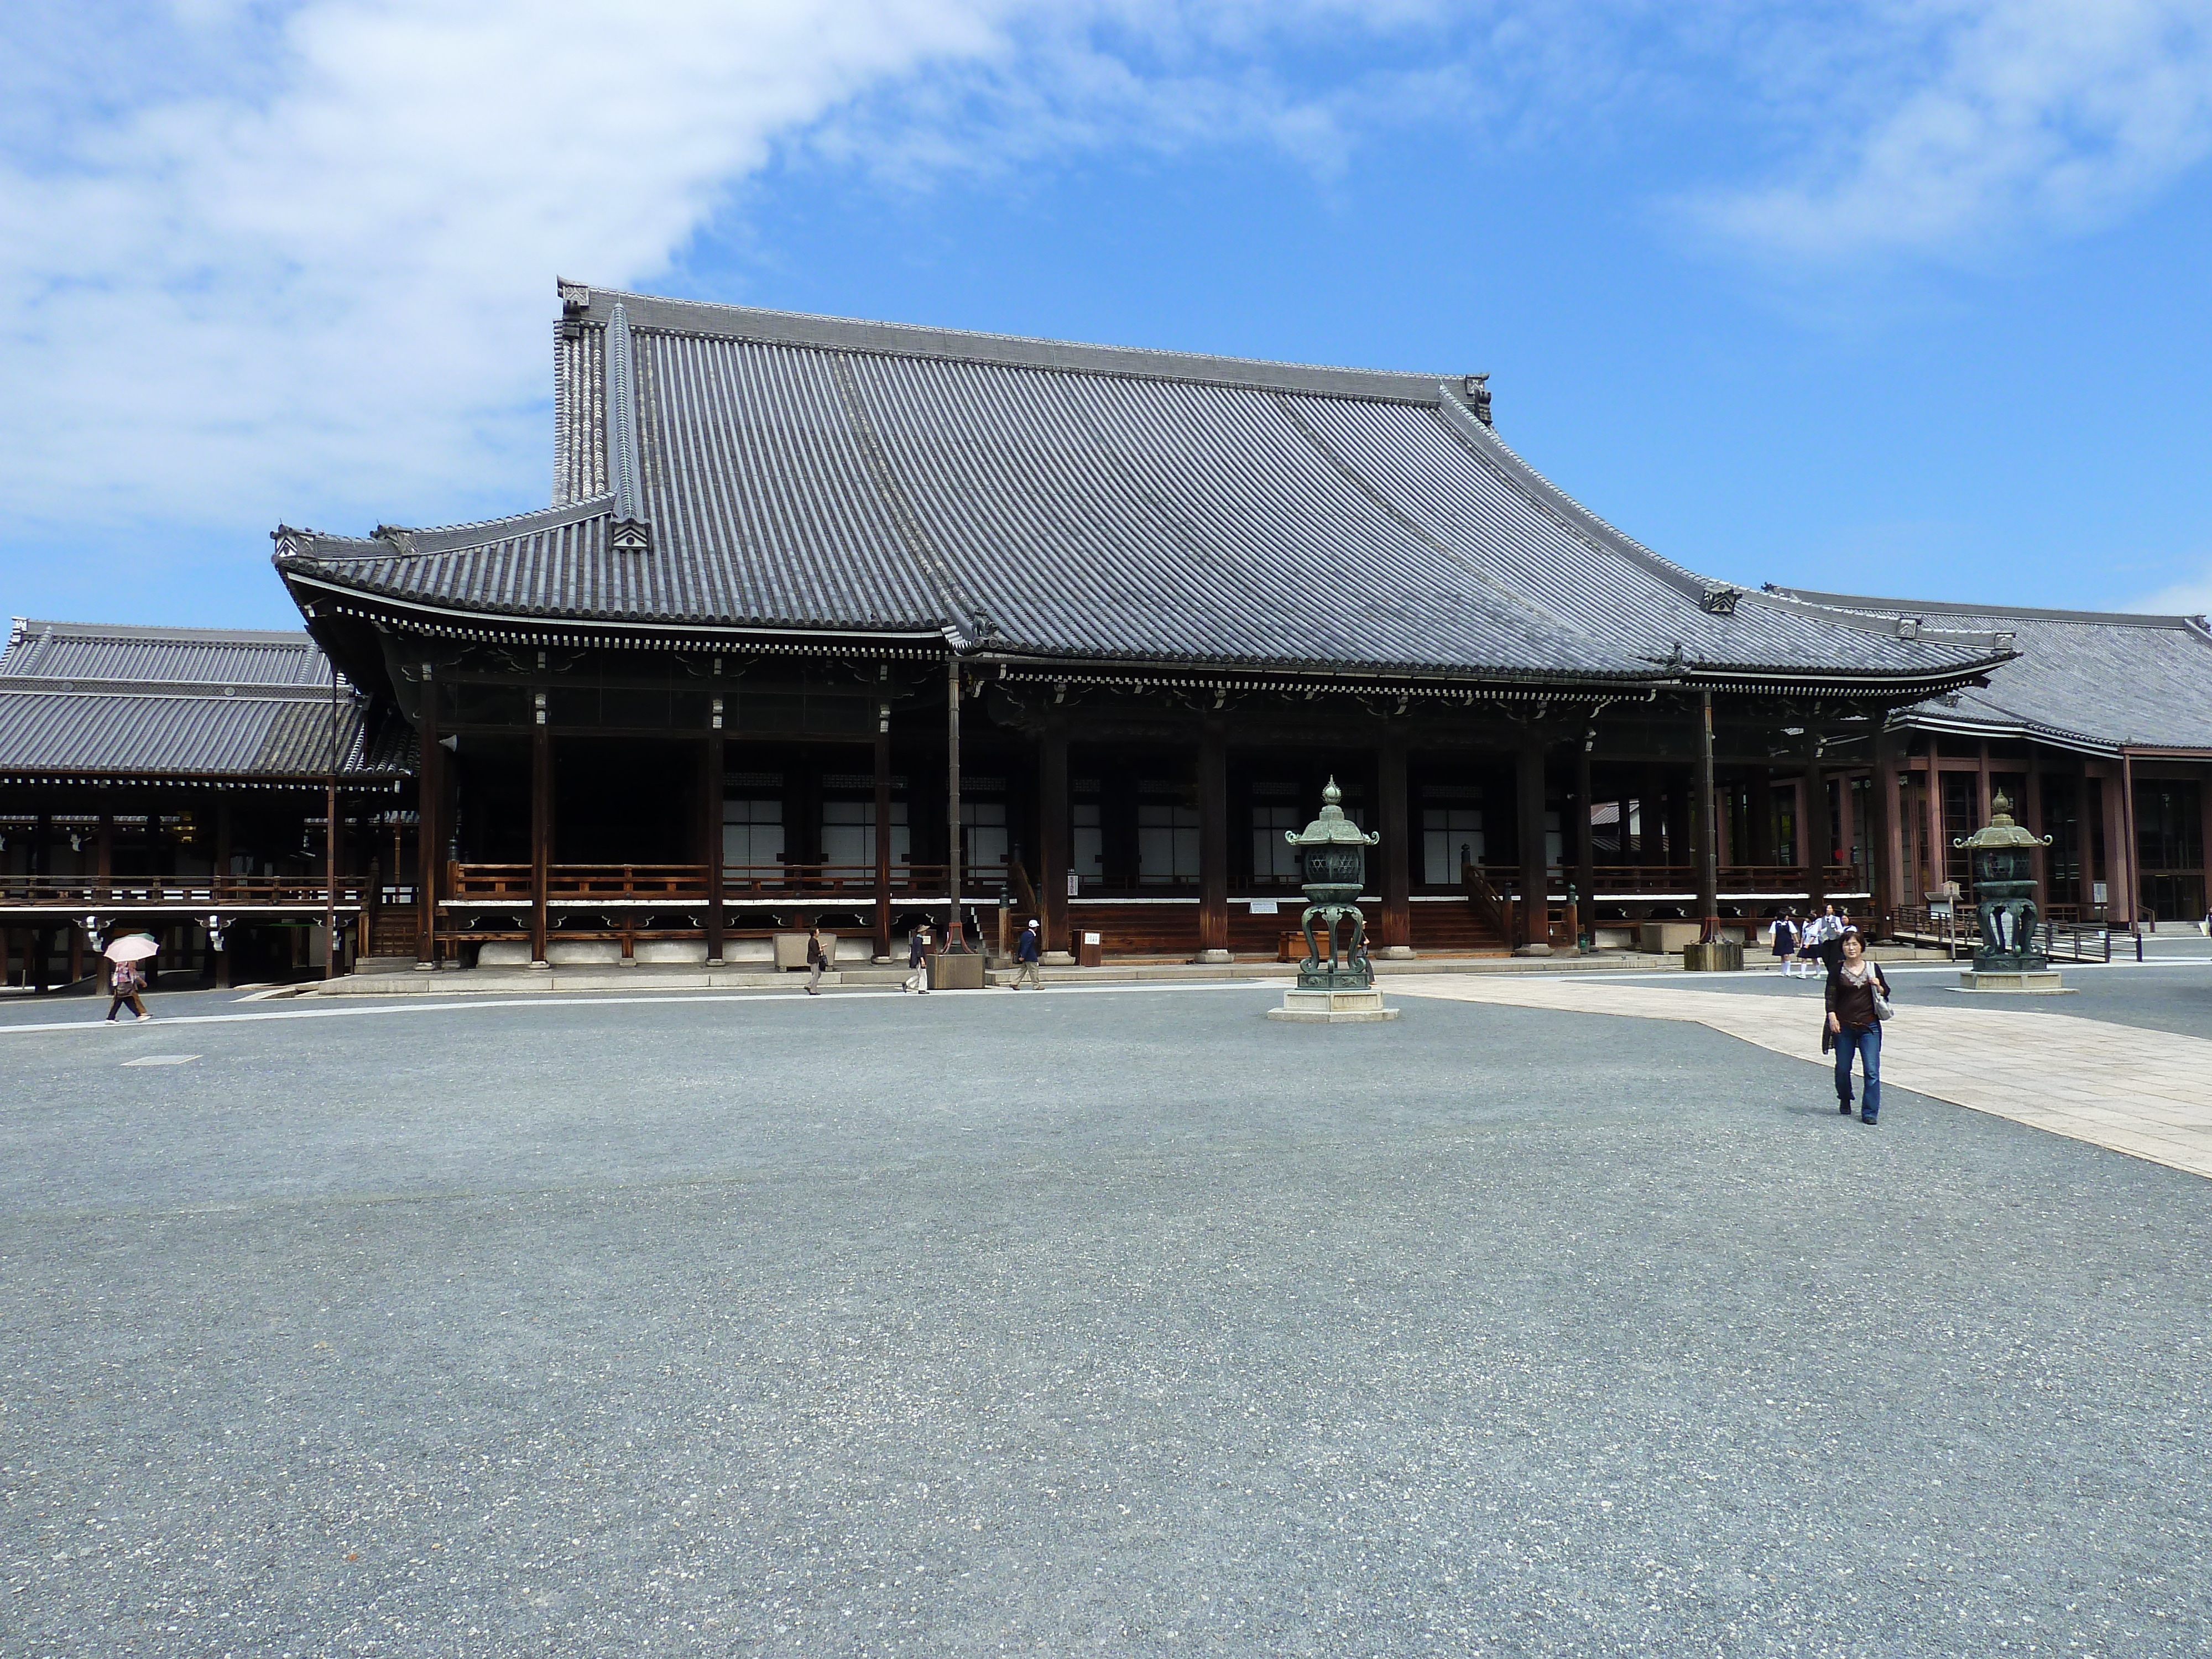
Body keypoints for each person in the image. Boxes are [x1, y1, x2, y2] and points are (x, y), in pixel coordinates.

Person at [1823, 928, 1890, 1123]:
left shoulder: (1872, 967)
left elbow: (1886, 992)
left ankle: (1870, 1112)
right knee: (1843, 1068)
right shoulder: (1837, 970)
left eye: (1854, 944)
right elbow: (1830, 997)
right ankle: (1845, 1096)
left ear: (1861, 946)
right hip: (1844, 1026)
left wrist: (1879, 986)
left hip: (1869, 1026)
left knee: (1871, 1070)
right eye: (1847, 944)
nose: (1851, 948)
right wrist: (1832, 1018)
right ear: (1842, 948)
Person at [106, 958, 151, 1022]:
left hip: (123, 982)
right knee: (122, 999)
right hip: (123, 982)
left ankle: (138, 1015)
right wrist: (142, 982)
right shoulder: (127, 960)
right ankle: (110, 1018)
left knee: (126, 999)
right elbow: (131, 970)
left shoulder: (123, 960)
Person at [1011, 918, 1042, 989]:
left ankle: (1015, 983)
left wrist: (1020, 954)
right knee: (1034, 971)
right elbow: (1027, 946)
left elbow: (1021, 945)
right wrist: (1023, 955)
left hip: (1025, 956)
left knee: (1022, 970)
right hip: (1030, 956)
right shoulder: (1031, 935)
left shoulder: (1025, 934)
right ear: (1036, 927)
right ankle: (1036, 985)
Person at [904, 924, 932, 994]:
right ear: (921, 932)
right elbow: (919, 951)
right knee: (923, 975)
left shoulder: (916, 939)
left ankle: (907, 983)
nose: (926, 932)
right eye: (925, 931)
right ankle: (921, 989)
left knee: (920, 974)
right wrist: (922, 960)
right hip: (919, 959)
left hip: (916, 959)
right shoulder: (919, 940)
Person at [1771, 909, 1799, 976]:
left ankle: (1788, 970)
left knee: (1786, 955)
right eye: (1786, 916)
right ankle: (1783, 971)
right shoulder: (1775, 923)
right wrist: (1772, 942)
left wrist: (1797, 941)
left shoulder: (1789, 923)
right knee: (1782, 956)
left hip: (1787, 940)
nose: (1788, 917)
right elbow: (1773, 933)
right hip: (1779, 940)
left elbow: (1794, 933)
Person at [805, 925, 827, 995]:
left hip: (813, 959)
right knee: (816, 975)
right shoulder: (813, 941)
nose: (819, 932)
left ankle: (809, 986)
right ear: (814, 933)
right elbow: (815, 952)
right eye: (818, 931)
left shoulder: (813, 941)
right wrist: (820, 950)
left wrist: (821, 947)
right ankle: (813, 990)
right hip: (813, 959)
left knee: (818, 974)